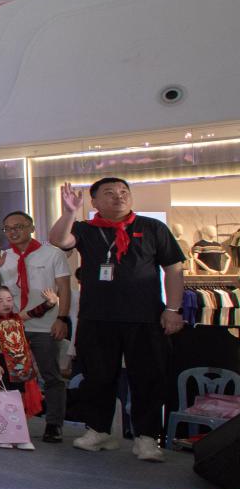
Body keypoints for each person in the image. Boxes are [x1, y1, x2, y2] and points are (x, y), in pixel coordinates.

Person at [47, 177, 185, 461]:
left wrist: (173, 310)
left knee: (147, 377)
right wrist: (70, 211)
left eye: (124, 192)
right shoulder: (85, 229)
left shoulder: (152, 227)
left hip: (145, 316)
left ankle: (146, 438)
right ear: (95, 201)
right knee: (97, 376)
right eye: (109, 193)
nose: (119, 196)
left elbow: (174, 268)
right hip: (97, 317)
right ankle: (98, 430)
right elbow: (58, 239)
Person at [0, 211, 73, 443]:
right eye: (8, 228)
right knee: (9, 374)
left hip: (45, 324)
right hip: (10, 327)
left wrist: (62, 318)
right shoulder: (5, 256)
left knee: (50, 374)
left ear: (31, 227)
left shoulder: (52, 253)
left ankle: (54, 424)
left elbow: (64, 288)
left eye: (18, 226)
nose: (13, 232)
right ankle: (11, 422)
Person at [0, 285, 51, 451]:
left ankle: (19, 434)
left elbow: (34, 312)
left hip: (20, 365)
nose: (6, 304)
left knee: (19, 399)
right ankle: (1, 434)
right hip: (1, 365)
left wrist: (49, 303)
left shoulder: (17, 318)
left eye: (9, 300)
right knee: (1, 399)